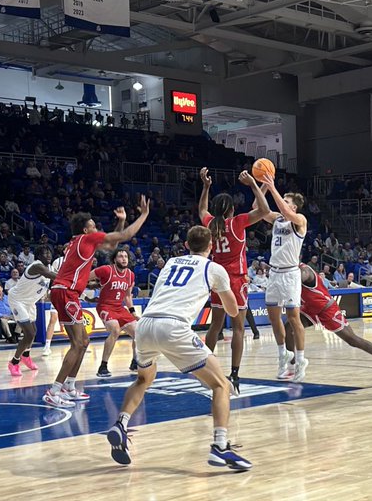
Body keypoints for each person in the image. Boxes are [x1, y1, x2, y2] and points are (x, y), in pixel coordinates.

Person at [105, 225, 250, 470]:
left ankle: (121, 422)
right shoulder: (214, 268)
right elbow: (233, 310)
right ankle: (220, 446)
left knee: (143, 379)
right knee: (221, 384)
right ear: (211, 246)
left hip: (146, 325)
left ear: (186, 245)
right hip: (174, 327)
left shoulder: (171, 262)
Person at [46, 197, 150, 408]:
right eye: (93, 226)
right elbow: (125, 236)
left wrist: (120, 221)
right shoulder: (86, 240)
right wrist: (144, 215)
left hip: (67, 292)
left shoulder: (77, 241)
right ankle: (54, 390)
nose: (97, 229)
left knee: (83, 343)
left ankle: (69, 386)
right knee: (77, 344)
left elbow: (112, 243)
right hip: (66, 291)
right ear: (86, 230)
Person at [197, 168, 270, 392]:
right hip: (236, 280)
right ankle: (235, 374)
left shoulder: (211, 224)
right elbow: (264, 210)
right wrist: (254, 186)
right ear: (230, 209)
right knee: (238, 327)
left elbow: (202, 209)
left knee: (215, 325)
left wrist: (206, 187)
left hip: (216, 278)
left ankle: (204, 367)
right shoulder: (237, 223)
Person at [284, 264, 372, 382]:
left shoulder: (304, 271)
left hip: (327, 309)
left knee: (352, 340)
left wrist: (283, 279)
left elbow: (300, 278)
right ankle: (292, 367)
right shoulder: (288, 272)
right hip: (311, 308)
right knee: (289, 327)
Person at [257, 175, 308, 381]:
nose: (283, 204)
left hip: (290, 274)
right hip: (274, 273)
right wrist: (262, 185)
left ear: (294, 207)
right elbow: (258, 207)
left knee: (294, 318)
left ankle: (301, 359)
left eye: (287, 202)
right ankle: (282, 356)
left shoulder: (300, 220)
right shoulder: (277, 219)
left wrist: (272, 186)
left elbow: (285, 210)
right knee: (273, 317)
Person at [6, 258, 56, 377]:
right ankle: (13, 362)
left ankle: (26, 356)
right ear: (39, 255)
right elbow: (55, 276)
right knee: (29, 333)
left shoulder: (51, 269)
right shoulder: (36, 266)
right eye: (44, 253)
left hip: (30, 302)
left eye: (49, 252)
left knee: (34, 331)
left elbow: (52, 286)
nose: (47, 255)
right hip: (18, 300)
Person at [94, 248, 140, 378]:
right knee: (115, 329)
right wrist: (87, 292)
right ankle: (103, 366)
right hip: (105, 306)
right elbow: (85, 277)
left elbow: (127, 297)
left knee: (139, 332)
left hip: (120, 308)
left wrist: (132, 312)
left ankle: (135, 362)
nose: (124, 258)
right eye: (120, 256)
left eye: (126, 256)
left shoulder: (130, 274)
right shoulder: (106, 270)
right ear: (115, 259)